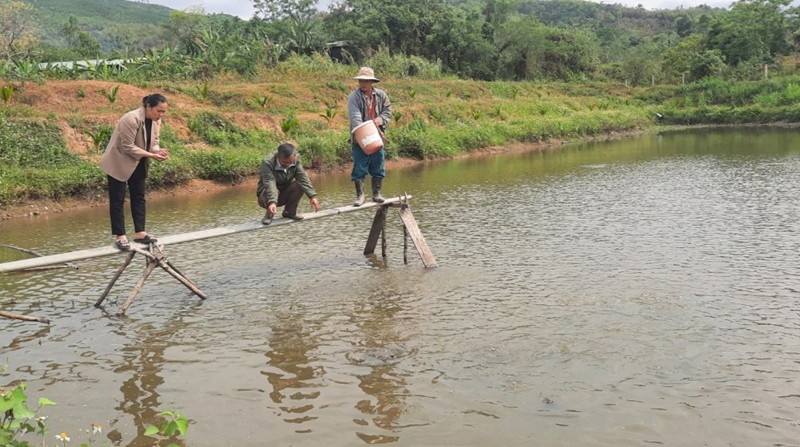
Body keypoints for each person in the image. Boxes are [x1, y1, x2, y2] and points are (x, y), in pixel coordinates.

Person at [100, 94, 169, 251]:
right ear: (148, 107)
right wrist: (152, 155)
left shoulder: (156, 121)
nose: (161, 115)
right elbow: (127, 147)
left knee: (139, 196)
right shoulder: (130, 119)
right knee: (117, 198)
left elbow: (154, 143)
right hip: (118, 161)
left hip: (139, 161)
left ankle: (140, 232)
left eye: (164, 112)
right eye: (159, 111)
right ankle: (120, 236)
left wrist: (159, 151)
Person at [347, 66, 392, 206]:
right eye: (361, 80)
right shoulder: (354, 97)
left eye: (366, 81)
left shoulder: (381, 96)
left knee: (378, 164)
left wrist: (379, 120)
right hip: (361, 136)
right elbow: (356, 118)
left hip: (377, 136)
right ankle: (360, 196)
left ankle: (376, 194)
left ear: (372, 82)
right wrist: (366, 132)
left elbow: (387, 111)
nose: (363, 83)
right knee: (359, 166)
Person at [257, 143, 321, 225]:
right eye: (284, 162)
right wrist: (272, 202)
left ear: (294, 156)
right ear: (278, 156)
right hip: (266, 197)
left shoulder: (296, 159)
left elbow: (302, 178)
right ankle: (269, 214)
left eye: (290, 162)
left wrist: (312, 196)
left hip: (284, 194)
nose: (287, 165)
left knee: (299, 184)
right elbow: (270, 182)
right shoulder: (268, 163)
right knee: (272, 189)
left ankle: (289, 212)